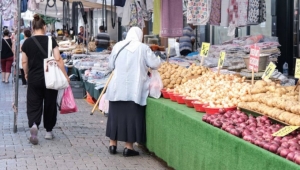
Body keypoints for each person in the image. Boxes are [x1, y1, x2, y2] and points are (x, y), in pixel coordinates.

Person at [105, 27, 161, 157]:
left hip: (116, 87)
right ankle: (128, 147)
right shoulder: (143, 48)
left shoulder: (118, 46)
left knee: (115, 116)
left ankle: (112, 145)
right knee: (131, 117)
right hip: (134, 88)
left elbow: (110, 65)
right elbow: (155, 64)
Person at [21, 14, 70, 145]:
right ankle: (48, 131)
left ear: (32, 28)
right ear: (44, 27)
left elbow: (24, 62)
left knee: (33, 104)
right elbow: (58, 59)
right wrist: (65, 76)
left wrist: (26, 74)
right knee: (50, 104)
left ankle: (34, 125)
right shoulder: (51, 40)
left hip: (34, 78)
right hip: (50, 78)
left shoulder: (27, 42)